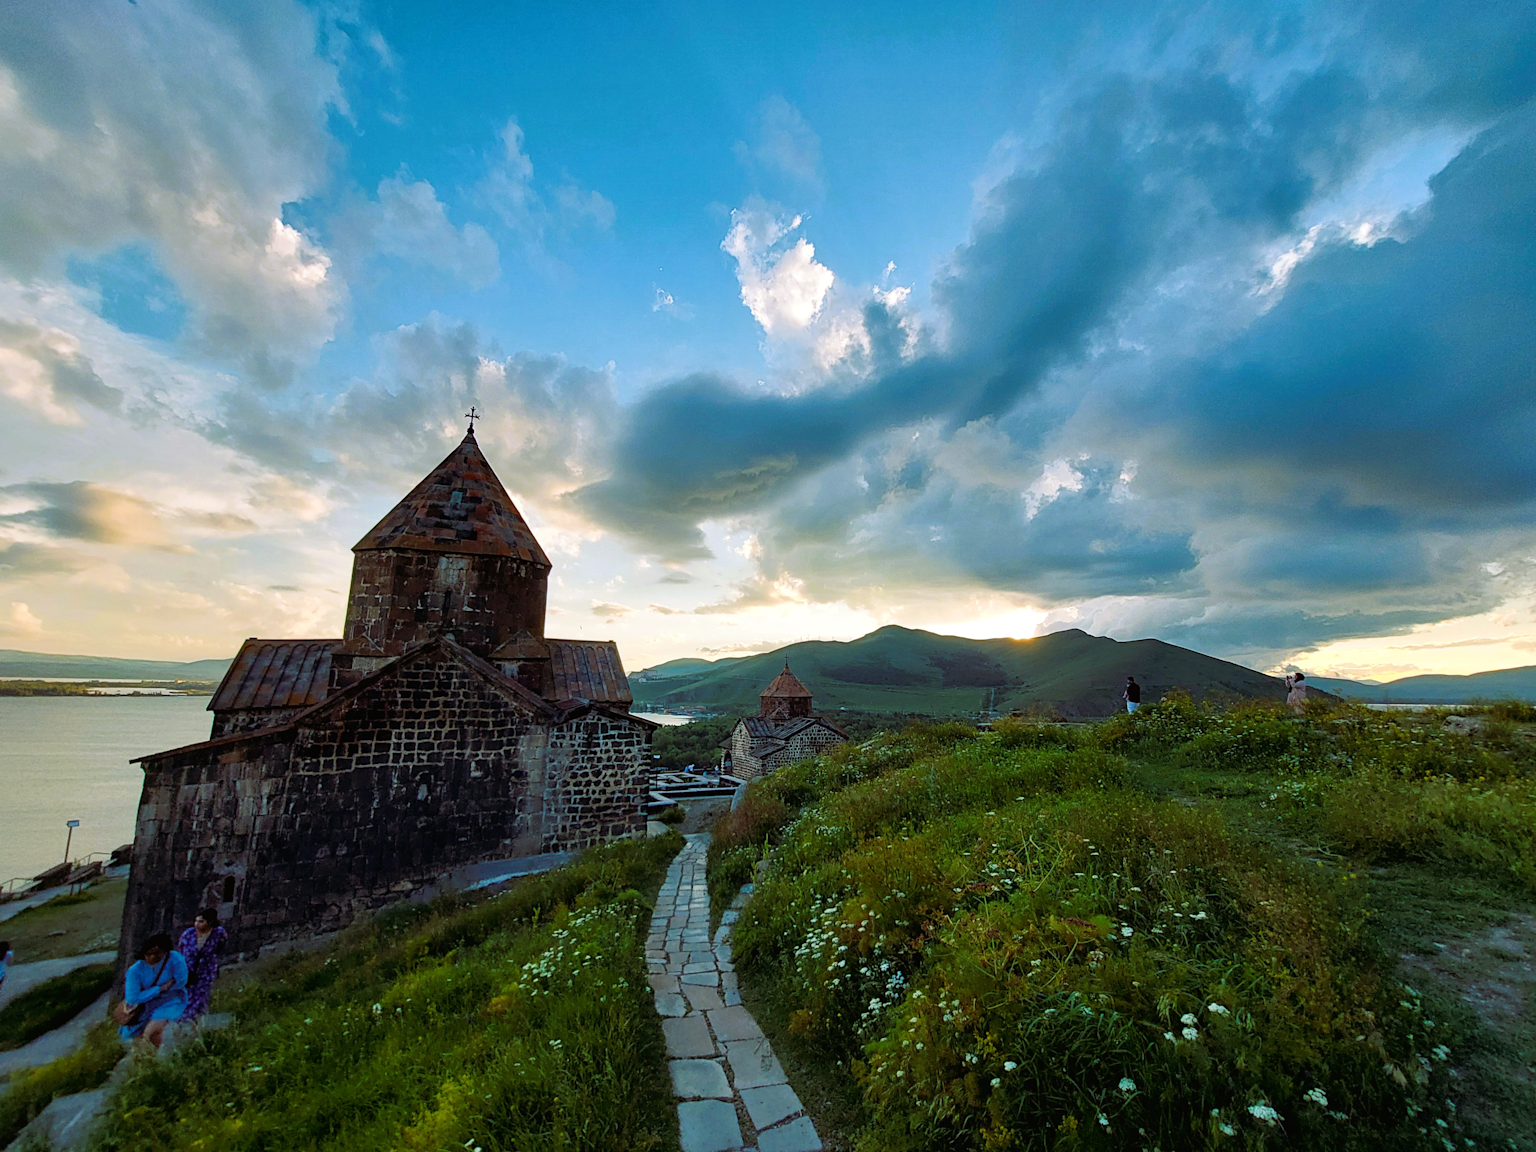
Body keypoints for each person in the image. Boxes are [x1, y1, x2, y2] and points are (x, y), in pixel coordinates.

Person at [117, 933, 187, 1048]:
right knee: (136, 1042)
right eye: (148, 954)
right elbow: (132, 998)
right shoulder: (135, 970)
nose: (152, 957)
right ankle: (148, 1061)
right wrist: (159, 989)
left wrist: (166, 991)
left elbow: (181, 980)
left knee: (151, 1032)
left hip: (170, 1001)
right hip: (143, 1007)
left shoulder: (174, 959)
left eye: (157, 953)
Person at [177, 908, 228, 1021]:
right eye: (196, 921)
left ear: (209, 922)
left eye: (201, 921)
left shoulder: (218, 933)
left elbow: (220, 946)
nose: (197, 924)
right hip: (187, 971)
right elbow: (180, 951)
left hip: (206, 971)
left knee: (201, 996)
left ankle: (196, 1020)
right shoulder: (188, 934)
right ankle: (183, 1021)